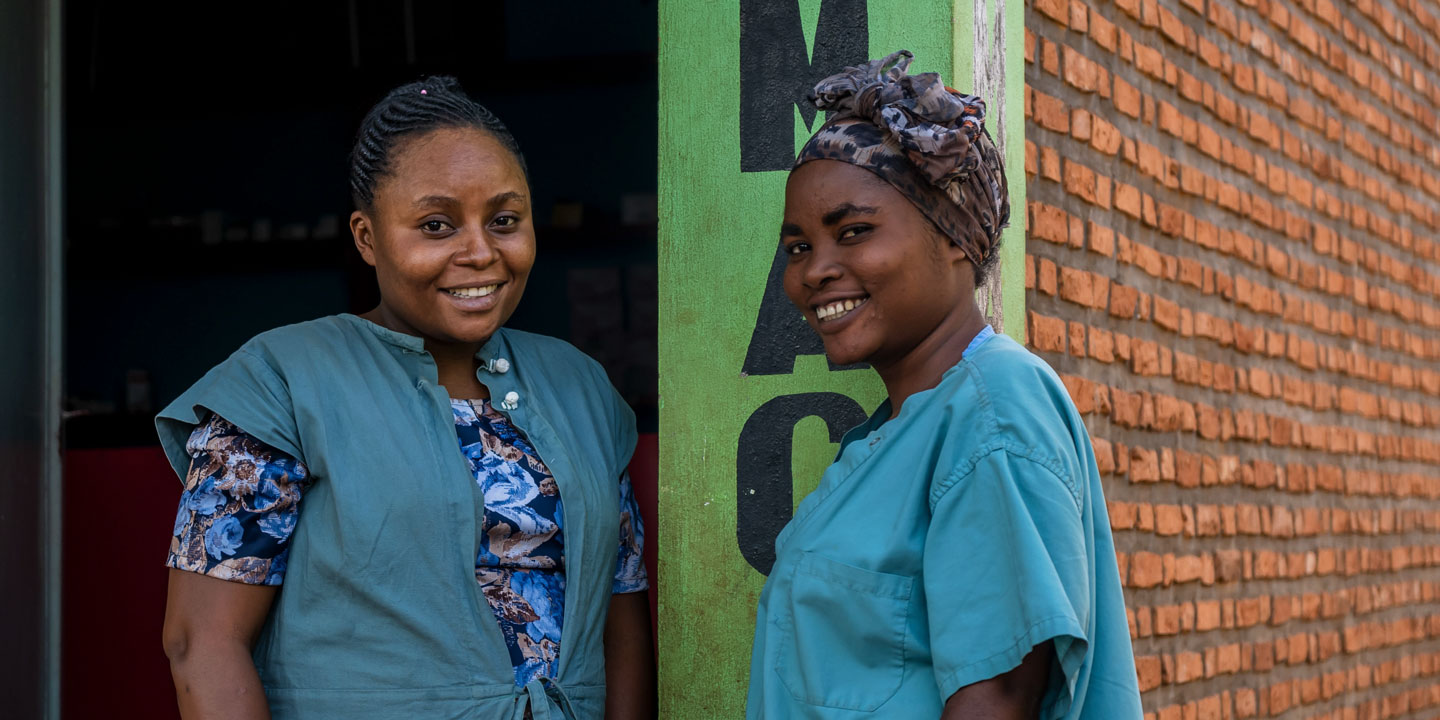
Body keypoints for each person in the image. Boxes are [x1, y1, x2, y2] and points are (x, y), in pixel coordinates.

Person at [158, 76, 654, 720]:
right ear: (367, 238)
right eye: (436, 225)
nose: (480, 252)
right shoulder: (279, 382)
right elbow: (201, 641)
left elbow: (622, 608)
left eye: (504, 220)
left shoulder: (579, 385)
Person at [745, 51, 1143, 719]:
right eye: (798, 248)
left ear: (954, 235)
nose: (815, 271)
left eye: (854, 232)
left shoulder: (992, 413)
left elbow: (1000, 697)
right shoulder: (898, 431)